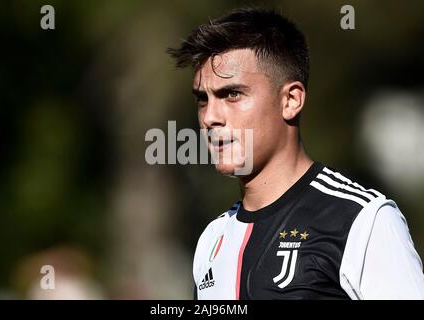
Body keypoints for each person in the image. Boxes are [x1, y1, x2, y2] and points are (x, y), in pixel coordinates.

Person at [167, 7, 424, 299]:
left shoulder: (362, 220)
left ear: (291, 100)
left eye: (232, 94)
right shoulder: (213, 239)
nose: (211, 116)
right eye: (203, 99)